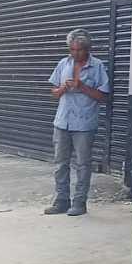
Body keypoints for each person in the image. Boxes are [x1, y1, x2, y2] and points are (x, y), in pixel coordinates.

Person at [45, 29, 110, 216]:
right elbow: (53, 93)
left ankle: (80, 202)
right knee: (60, 163)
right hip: (62, 121)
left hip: (84, 123)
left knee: (83, 164)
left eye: (80, 50)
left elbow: (103, 96)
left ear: (88, 48)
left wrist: (82, 87)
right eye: (72, 49)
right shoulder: (63, 63)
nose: (75, 53)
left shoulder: (97, 66)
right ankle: (61, 200)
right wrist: (62, 89)